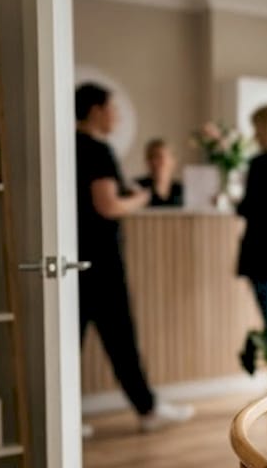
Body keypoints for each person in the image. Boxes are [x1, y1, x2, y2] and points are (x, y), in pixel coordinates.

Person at [75, 82, 195, 433]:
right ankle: (147, 409)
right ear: (96, 110)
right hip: (100, 259)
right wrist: (139, 200)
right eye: (113, 108)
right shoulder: (97, 149)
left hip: (77, 258)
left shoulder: (72, 146)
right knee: (120, 337)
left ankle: (139, 407)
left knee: (76, 339)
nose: (117, 115)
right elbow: (107, 204)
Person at [236, 105, 267, 384]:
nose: (254, 135)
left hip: (261, 258)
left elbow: (247, 208)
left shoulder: (260, 164)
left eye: (256, 128)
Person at [134, 138, 183, 207]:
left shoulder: (183, 191)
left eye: (159, 157)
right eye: (150, 157)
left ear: (173, 161)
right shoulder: (137, 187)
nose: (154, 162)